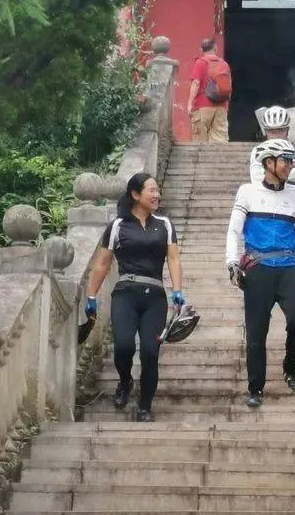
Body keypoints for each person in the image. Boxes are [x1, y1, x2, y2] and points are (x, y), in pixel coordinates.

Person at [226, 139, 295, 408]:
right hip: (258, 269)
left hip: (288, 267)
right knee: (257, 332)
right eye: (286, 161)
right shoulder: (247, 192)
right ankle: (255, 387)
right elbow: (234, 230)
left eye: (292, 161)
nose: (291, 166)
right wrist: (231, 263)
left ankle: (290, 367)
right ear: (269, 163)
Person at [85, 172, 184, 422]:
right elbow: (102, 263)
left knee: (150, 352)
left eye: (158, 190)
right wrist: (91, 296)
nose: (157, 195)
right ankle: (125, 380)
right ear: (135, 194)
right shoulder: (118, 226)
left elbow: (173, 258)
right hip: (125, 294)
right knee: (124, 346)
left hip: (155, 298)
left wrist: (177, 290)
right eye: (152, 190)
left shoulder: (164, 224)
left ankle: (145, 406)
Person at [250, 105, 295, 187]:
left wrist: (269, 173)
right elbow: (256, 177)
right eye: (271, 131)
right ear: (265, 131)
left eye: (280, 130)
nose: (276, 134)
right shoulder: (258, 150)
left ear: (287, 130)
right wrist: (289, 171)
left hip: (293, 193)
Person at [187, 37, 232, 142]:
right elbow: (229, 86)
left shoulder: (200, 62)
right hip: (221, 106)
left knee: (200, 140)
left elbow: (196, 83)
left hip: (203, 105)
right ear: (215, 48)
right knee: (220, 141)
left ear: (201, 50)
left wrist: (190, 103)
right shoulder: (224, 64)